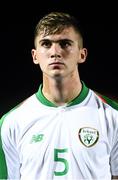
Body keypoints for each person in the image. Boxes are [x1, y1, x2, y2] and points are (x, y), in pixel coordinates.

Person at [0, 11, 118, 180]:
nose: (55, 52)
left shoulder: (113, 116)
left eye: (65, 43)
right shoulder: (10, 123)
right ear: (35, 56)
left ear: (82, 54)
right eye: (46, 44)